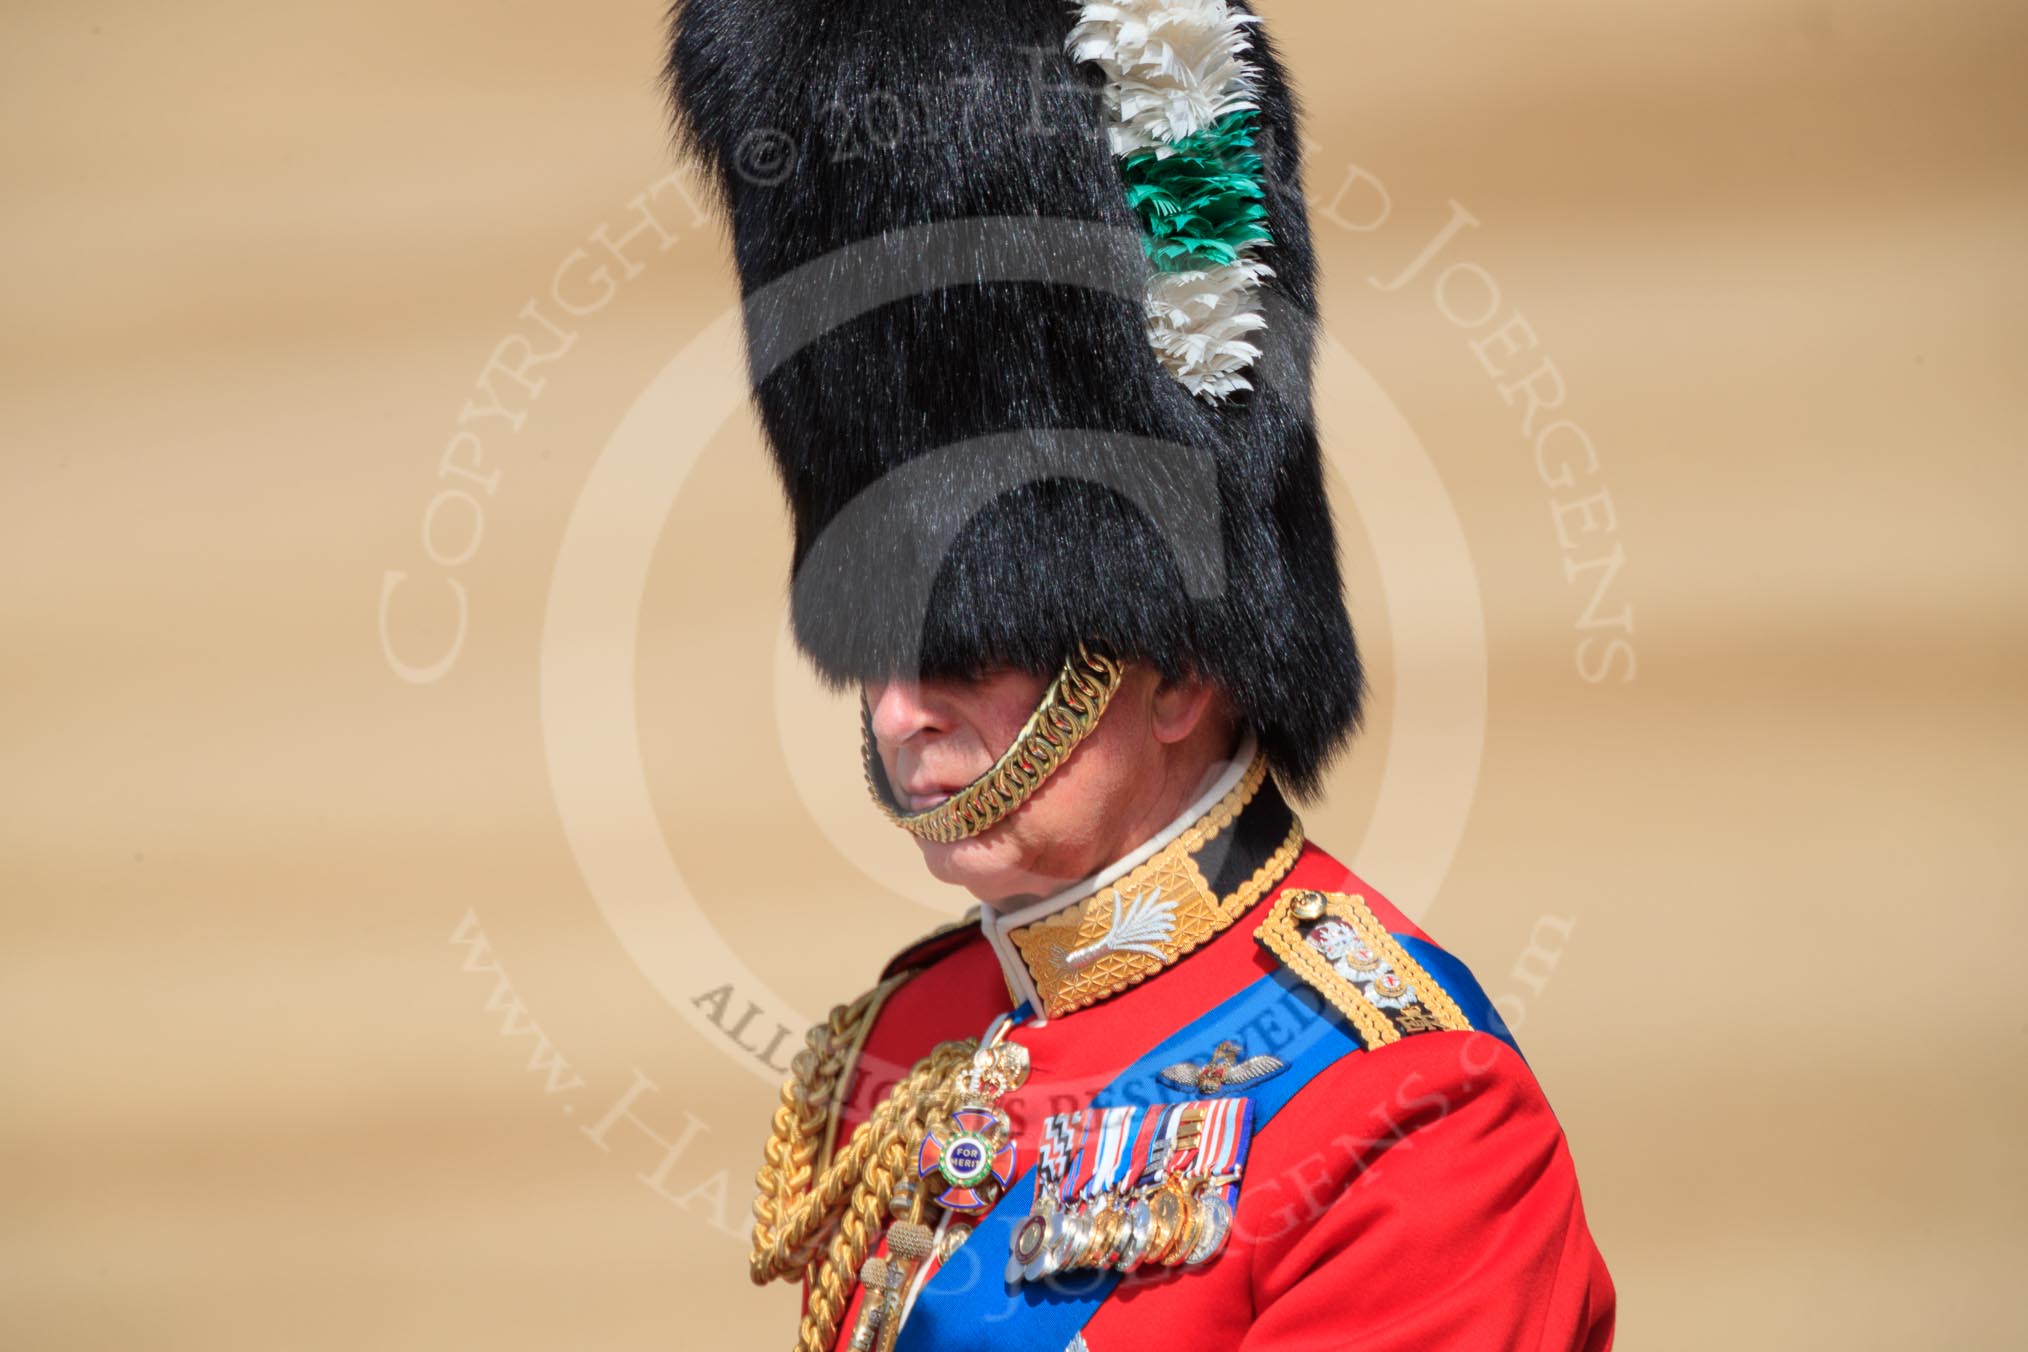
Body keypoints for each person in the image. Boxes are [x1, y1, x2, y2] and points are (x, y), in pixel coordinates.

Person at [665, 1, 1615, 1348]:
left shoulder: (1403, 1112)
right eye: (886, 644)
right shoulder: (921, 1035)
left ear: (1178, 672)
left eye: (967, 651)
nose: (895, 711)